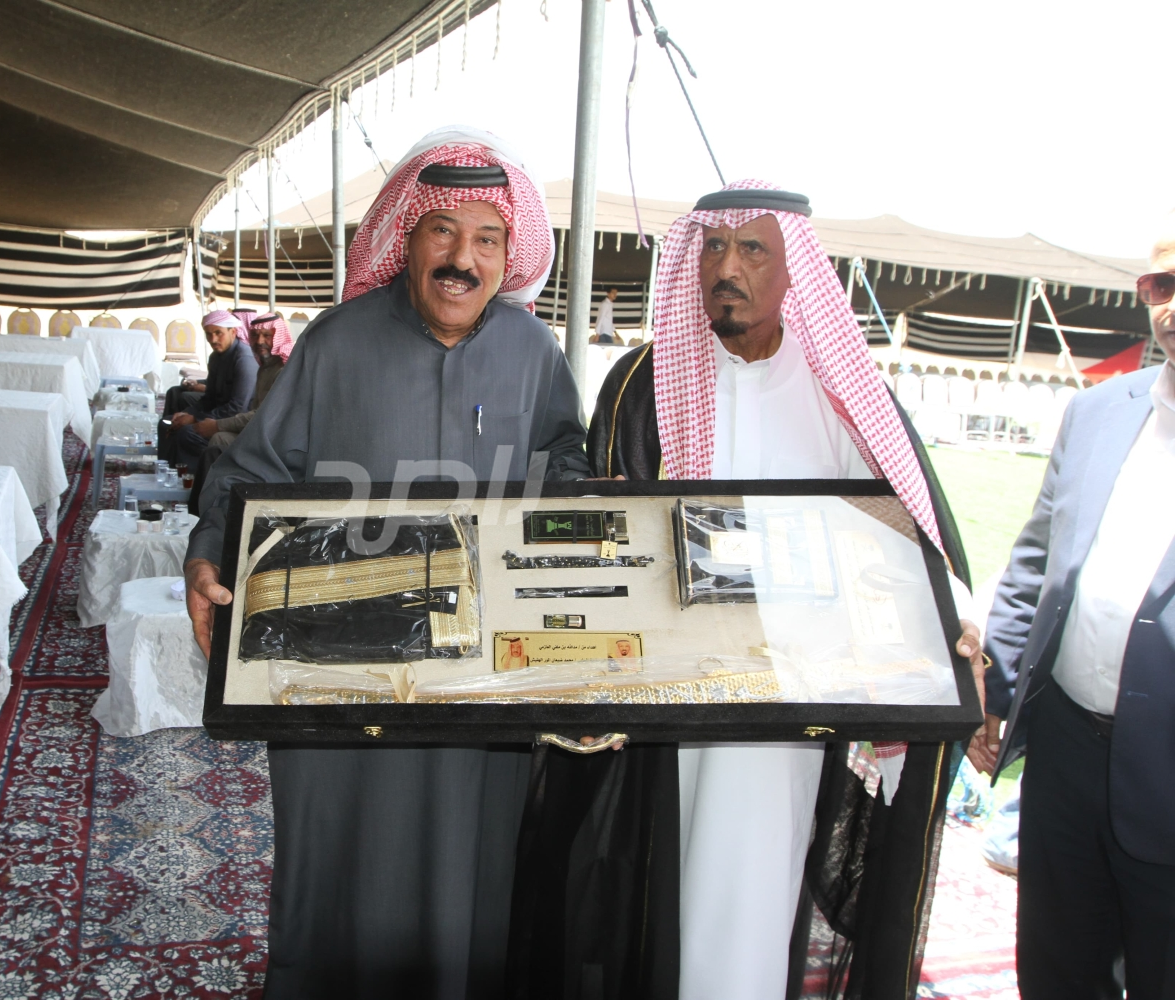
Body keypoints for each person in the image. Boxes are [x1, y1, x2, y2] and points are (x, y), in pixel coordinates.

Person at [510, 180, 985, 998]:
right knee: (643, 896)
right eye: (713, 248)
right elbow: (600, 540)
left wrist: (958, 623)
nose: (727, 268)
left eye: (752, 250)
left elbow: (908, 532)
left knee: (753, 903)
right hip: (662, 710)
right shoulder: (642, 383)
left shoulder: (839, 394)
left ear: (795, 268)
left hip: (785, 709)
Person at [183, 126, 585, 997]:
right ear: (407, 237)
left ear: (508, 254)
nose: (462, 260)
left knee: (471, 885)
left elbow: (566, 469)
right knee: (336, 879)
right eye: (444, 232)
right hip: (341, 671)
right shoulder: (336, 343)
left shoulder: (534, 354)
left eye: (487, 240)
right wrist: (206, 555)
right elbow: (251, 474)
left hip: (480, 681)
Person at [976, 214, 1175, 998]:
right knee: (1058, 970)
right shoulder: (1097, 411)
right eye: (1165, 284)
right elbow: (1036, 560)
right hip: (1064, 754)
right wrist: (994, 688)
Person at [185, 311, 293, 514]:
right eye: (255, 336)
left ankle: (208, 510)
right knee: (214, 441)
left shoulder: (283, 369)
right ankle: (211, 506)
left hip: (276, 442)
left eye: (267, 336)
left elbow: (263, 416)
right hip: (260, 433)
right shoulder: (265, 367)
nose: (259, 341)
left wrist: (217, 424)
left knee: (216, 441)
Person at [158, 309, 256, 466]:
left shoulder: (244, 359)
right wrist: (187, 413)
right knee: (167, 423)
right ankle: (166, 471)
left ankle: (190, 477)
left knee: (187, 433)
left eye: (218, 333)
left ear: (233, 332)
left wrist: (196, 419)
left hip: (235, 423)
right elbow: (209, 398)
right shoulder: (215, 357)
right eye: (209, 334)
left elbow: (237, 407)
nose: (213, 339)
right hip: (218, 415)